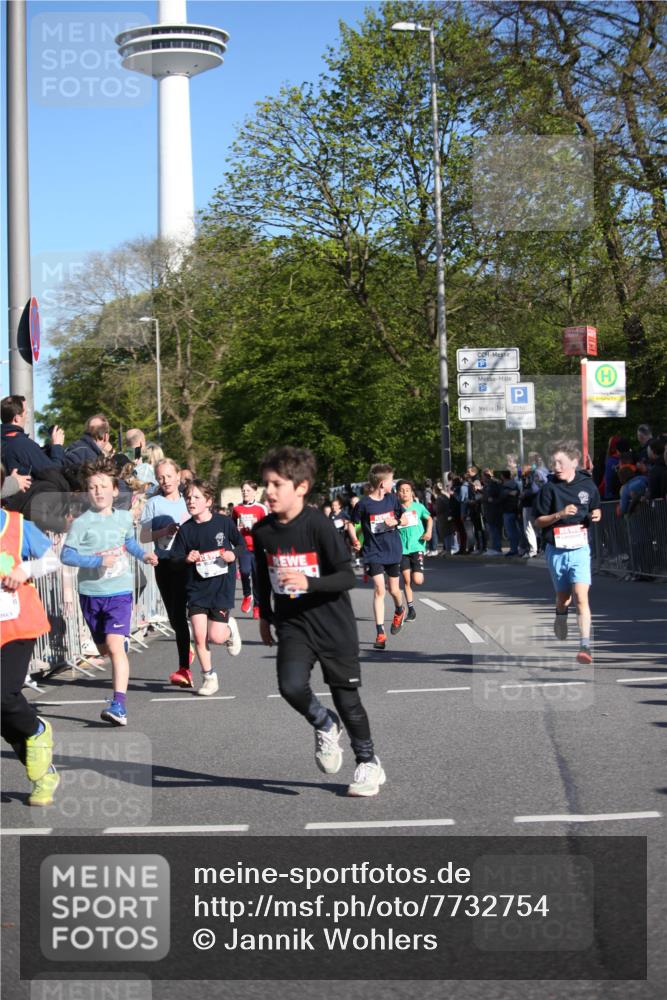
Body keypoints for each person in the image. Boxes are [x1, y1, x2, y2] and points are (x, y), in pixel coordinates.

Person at [253, 446, 386, 797]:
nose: (269, 491)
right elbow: (260, 574)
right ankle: (324, 722)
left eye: (276, 484)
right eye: (266, 483)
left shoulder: (319, 525)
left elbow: (346, 576)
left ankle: (368, 763)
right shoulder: (263, 530)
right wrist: (265, 615)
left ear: (301, 487)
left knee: (347, 699)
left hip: (333, 624)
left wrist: (309, 582)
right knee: (291, 686)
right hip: (293, 623)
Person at [61, 457, 158, 725]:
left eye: (104, 486)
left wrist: (143, 556)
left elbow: (129, 543)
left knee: (115, 647)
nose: (99, 492)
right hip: (91, 593)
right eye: (93, 487)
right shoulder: (82, 523)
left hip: (119, 592)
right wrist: (96, 561)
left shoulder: (124, 518)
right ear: (87, 492)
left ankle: (119, 705)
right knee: (104, 649)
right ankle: (118, 642)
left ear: (115, 490)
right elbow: (67, 556)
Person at [1, 497, 60, 806]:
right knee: (2, 717)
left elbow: (52, 560)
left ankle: (38, 729)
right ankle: (43, 776)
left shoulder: (16, 524)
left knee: (4, 695)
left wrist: (25, 569)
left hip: (16, 626)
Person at [169, 479, 244, 696]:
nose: (191, 501)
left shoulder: (224, 523)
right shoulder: (186, 530)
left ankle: (229, 630)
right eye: (188, 498)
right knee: (200, 637)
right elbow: (173, 559)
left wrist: (232, 554)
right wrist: (186, 558)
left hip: (220, 587)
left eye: (196, 497)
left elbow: (241, 545)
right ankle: (209, 677)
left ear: (208, 501)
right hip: (196, 588)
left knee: (216, 637)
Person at [533, 442, 601, 666]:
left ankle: (584, 645)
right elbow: (538, 521)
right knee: (565, 597)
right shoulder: (548, 488)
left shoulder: (587, 485)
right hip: (557, 549)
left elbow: (595, 506)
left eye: (560, 462)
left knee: (582, 597)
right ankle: (560, 614)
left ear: (573, 462)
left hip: (580, 548)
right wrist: (559, 514)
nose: (556, 467)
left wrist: (596, 514)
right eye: (554, 463)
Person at [139, 459, 194, 687]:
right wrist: (164, 530)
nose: (165, 481)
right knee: (174, 616)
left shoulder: (188, 501)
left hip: (186, 562)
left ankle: (184, 669)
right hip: (163, 563)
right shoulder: (153, 504)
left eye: (169, 476)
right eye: (161, 477)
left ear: (178, 476)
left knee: (189, 613)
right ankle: (187, 651)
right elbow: (144, 536)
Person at [348, 463, 406, 650]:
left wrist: (396, 521)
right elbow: (351, 523)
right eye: (391, 481)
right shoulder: (364, 504)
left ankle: (399, 609)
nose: (393, 485)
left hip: (393, 550)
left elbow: (405, 518)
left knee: (394, 590)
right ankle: (380, 633)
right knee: (380, 589)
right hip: (373, 551)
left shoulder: (392, 500)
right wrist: (354, 539)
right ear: (382, 484)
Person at [1, 395, 66, 475]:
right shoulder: (22, 444)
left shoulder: (4, 441)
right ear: (17, 418)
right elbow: (55, 474)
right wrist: (57, 446)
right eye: (26, 412)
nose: (27, 415)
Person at [231, 481, 268, 619]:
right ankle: (247, 594)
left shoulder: (261, 508)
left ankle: (257, 606)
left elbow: (268, 529)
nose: (245, 493)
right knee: (245, 572)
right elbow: (232, 527)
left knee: (258, 577)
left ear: (254, 491)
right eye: (243, 490)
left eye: (248, 490)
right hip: (244, 547)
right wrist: (238, 530)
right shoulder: (236, 508)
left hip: (258, 547)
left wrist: (256, 527)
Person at [396, 480, 432, 621]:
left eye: (407, 490)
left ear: (412, 492)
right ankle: (411, 610)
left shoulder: (418, 507)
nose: (404, 492)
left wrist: (428, 532)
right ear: (397, 493)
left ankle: (418, 571)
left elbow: (429, 518)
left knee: (417, 580)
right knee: (406, 580)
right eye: (401, 490)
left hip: (417, 546)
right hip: (402, 548)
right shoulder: (396, 509)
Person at [499, 470, 521, 556]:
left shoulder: (504, 486)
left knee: (511, 532)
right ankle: (520, 548)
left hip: (508, 511)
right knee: (518, 531)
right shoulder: (515, 484)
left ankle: (513, 549)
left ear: (502, 476)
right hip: (516, 510)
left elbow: (501, 497)